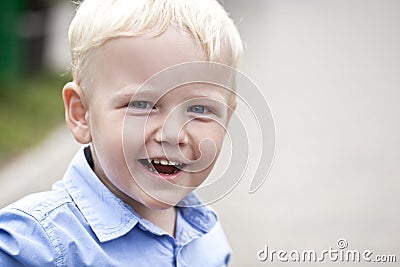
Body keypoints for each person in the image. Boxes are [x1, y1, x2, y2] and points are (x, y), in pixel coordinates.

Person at [0, 0, 242, 266]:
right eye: (142, 104)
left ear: (226, 119)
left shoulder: (208, 239)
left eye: (199, 109)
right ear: (82, 114)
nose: (173, 134)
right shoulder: (31, 247)